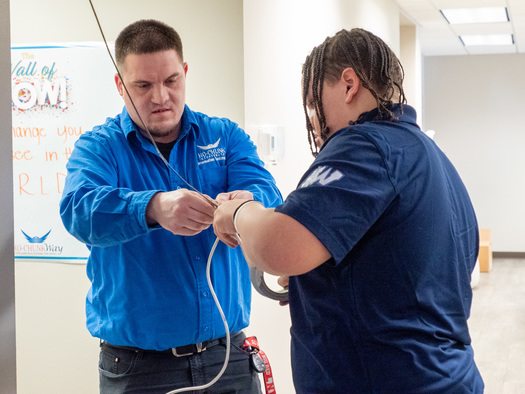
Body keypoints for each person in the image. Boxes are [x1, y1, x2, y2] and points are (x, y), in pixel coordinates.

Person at [213, 28, 484, 393]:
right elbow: (405, 274)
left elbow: (276, 248)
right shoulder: (428, 155)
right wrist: (322, 284)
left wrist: (240, 211)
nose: (313, 122)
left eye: (313, 105)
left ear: (349, 84)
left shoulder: (365, 143)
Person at [59, 19, 282, 393]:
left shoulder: (224, 137)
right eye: (143, 85)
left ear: (185, 73)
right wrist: (154, 208)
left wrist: (245, 204)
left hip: (227, 359)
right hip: (138, 369)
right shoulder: (99, 148)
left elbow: (267, 194)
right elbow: (79, 211)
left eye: (171, 81)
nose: (160, 97)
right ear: (119, 85)